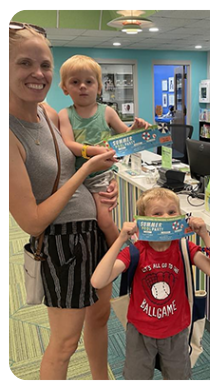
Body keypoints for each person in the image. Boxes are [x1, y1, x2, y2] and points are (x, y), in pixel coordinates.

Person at [8, 23, 119, 380]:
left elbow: (68, 158)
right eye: (24, 63)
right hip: (62, 244)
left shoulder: (45, 112)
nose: (37, 74)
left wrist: (97, 186)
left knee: (100, 319)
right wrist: (85, 170)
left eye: (45, 64)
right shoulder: (6, 133)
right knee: (64, 342)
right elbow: (33, 221)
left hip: (92, 234)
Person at [89, 188, 210, 379]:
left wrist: (205, 236)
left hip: (176, 332)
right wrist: (122, 238)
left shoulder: (184, 248)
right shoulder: (136, 252)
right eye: (157, 214)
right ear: (143, 220)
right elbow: (98, 281)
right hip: (140, 332)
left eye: (172, 212)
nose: (166, 218)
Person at [56, 54, 151, 247]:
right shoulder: (65, 114)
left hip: (100, 175)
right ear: (65, 88)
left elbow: (125, 136)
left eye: (89, 82)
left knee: (104, 220)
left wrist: (136, 129)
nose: (83, 86)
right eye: (75, 82)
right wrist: (93, 151)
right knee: (84, 218)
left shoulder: (106, 111)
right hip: (76, 176)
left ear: (99, 87)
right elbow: (68, 144)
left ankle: (117, 252)